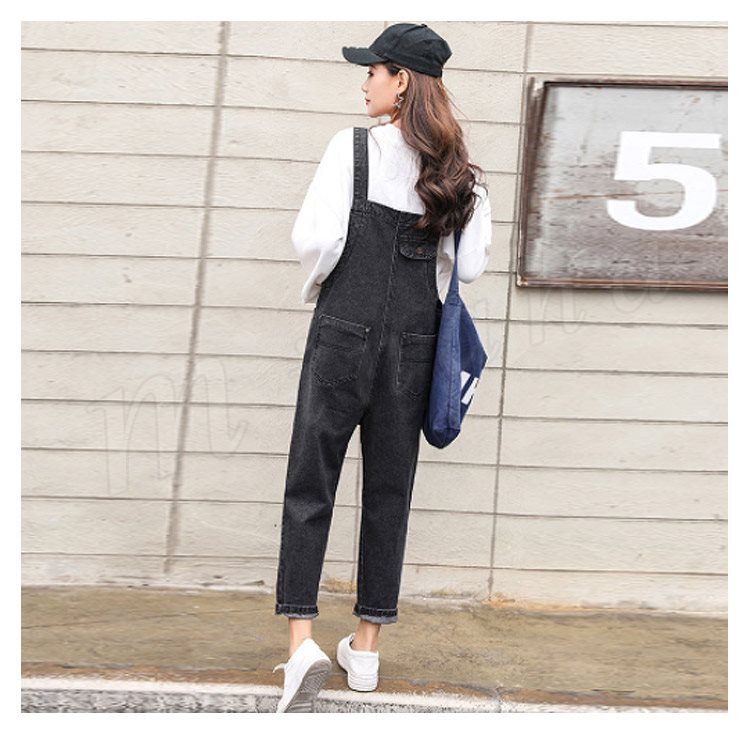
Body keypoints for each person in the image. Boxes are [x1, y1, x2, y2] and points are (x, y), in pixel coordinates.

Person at [271, 23, 492, 712]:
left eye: (373, 70)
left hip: (344, 332)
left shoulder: (352, 148)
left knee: (311, 482)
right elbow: (470, 267)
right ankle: (365, 649)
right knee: (390, 493)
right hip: (414, 348)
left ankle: (301, 643)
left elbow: (316, 239)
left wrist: (331, 290)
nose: (364, 81)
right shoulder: (459, 175)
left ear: (401, 81)